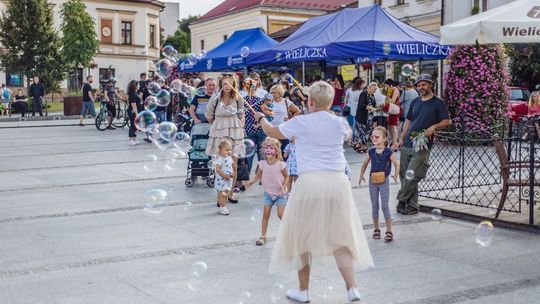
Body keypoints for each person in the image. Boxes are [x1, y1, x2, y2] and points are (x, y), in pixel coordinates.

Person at [253, 81, 373, 303]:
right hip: (338, 181)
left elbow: (271, 131)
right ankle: (352, 288)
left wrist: (260, 116)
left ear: (310, 101)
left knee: (302, 237)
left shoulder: (301, 122)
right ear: (329, 101)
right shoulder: (340, 123)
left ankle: (303, 290)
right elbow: (345, 136)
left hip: (309, 182)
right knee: (341, 235)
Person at [395, 74, 451, 215]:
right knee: (404, 174)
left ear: (431, 85)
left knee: (413, 174)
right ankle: (412, 205)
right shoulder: (415, 101)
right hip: (408, 141)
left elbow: (447, 121)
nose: (421, 87)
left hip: (423, 144)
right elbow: (408, 120)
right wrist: (401, 137)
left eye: (424, 84)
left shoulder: (438, 103)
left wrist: (434, 127)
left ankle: (401, 200)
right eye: (419, 85)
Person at [205, 75, 245, 204]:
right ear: (221, 84)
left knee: (233, 164)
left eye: (229, 83)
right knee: (220, 164)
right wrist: (217, 126)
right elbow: (209, 115)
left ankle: (231, 193)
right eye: (224, 83)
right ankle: (220, 195)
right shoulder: (215, 97)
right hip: (220, 130)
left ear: (233, 84)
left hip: (234, 131)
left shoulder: (238, 98)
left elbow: (241, 114)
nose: (226, 86)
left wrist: (240, 127)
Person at [243, 137, 289, 246]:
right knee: (265, 214)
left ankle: (289, 233)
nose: (268, 149)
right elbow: (258, 176)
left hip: (280, 194)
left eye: (271, 147)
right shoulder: (262, 164)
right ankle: (263, 236)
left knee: (281, 215)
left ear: (276, 151)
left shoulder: (281, 164)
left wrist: (284, 186)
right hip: (268, 193)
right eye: (267, 147)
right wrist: (251, 182)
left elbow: (287, 176)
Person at [359, 126, 399, 242]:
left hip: (384, 181)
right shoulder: (371, 151)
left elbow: (396, 164)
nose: (374, 138)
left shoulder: (388, 151)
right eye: (372, 136)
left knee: (385, 206)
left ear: (384, 138)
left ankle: (389, 230)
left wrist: (395, 174)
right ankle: (376, 229)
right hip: (373, 181)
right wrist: (361, 175)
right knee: (375, 206)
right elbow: (364, 164)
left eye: (377, 137)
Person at [269, 84, 301, 153]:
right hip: (272, 131)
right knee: (274, 153)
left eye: (275, 92)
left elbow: (298, 111)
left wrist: (290, 119)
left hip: (284, 131)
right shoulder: (269, 101)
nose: (273, 94)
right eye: (272, 93)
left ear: (280, 93)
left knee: (284, 152)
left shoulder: (286, 101)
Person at [353, 82, 377, 153]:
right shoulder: (363, 94)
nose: (374, 91)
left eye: (375, 90)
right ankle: (363, 146)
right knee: (363, 133)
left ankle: (357, 145)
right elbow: (361, 105)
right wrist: (368, 107)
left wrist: (377, 106)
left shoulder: (372, 95)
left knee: (368, 132)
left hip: (369, 118)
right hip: (362, 117)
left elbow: (374, 104)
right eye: (373, 89)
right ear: (369, 88)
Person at [215, 139, 234, 215]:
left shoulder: (229, 158)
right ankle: (223, 207)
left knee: (226, 194)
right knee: (222, 194)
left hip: (228, 179)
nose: (229, 151)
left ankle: (222, 204)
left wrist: (232, 173)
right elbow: (218, 169)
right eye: (227, 150)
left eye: (230, 150)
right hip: (222, 180)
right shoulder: (220, 159)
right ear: (220, 150)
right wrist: (224, 175)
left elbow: (231, 167)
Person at [384, 79, 401, 146]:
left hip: (394, 109)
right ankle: (394, 141)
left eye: (386, 86)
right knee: (390, 126)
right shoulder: (391, 90)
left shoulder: (395, 90)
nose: (386, 87)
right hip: (391, 110)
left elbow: (393, 101)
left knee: (393, 126)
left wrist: (387, 96)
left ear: (390, 85)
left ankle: (395, 143)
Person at [127, 80, 143, 146]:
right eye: (138, 85)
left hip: (135, 111)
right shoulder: (132, 94)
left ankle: (134, 138)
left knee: (135, 125)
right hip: (133, 111)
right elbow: (134, 105)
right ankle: (130, 139)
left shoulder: (135, 93)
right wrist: (137, 114)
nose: (139, 86)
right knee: (133, 125)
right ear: (135, 86)